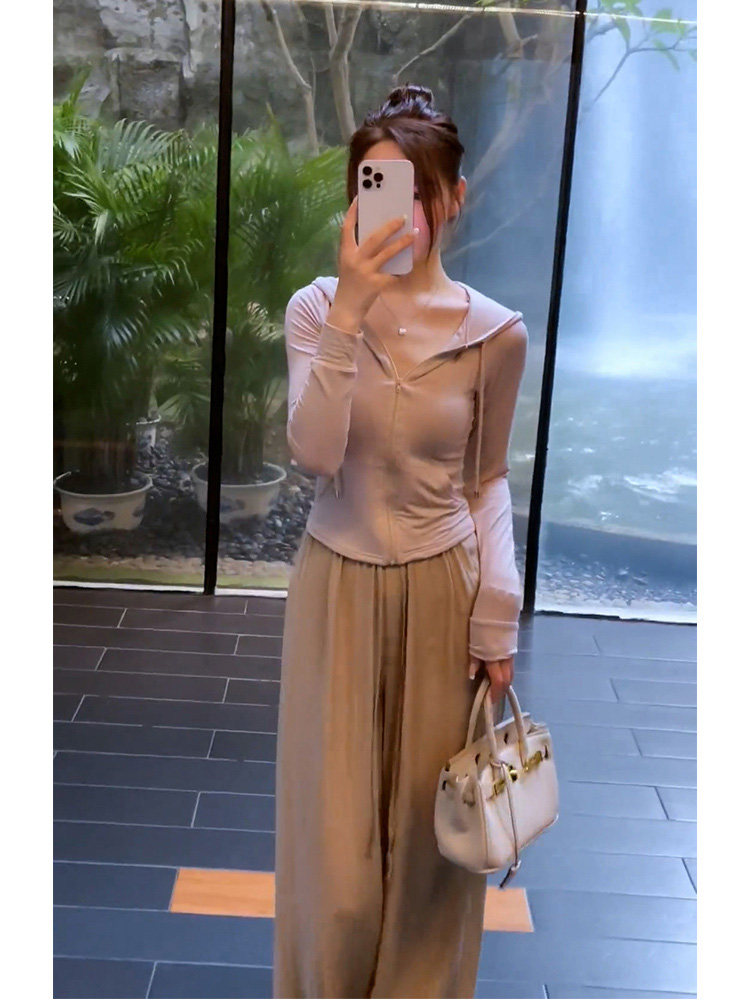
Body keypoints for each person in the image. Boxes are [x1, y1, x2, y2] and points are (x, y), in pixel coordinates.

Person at [273, 84, 528, 999]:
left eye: (418, 191)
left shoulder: (495, 333)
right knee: (333, 862)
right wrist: (351, 310)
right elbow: (314, 454)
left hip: (442, 593)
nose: (400, 211)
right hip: (334, 590)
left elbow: (486, 480)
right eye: (377, 187)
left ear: (454, 198)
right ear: (355, 197)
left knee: (431, 849)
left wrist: (497, 615)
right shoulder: (316, 311)